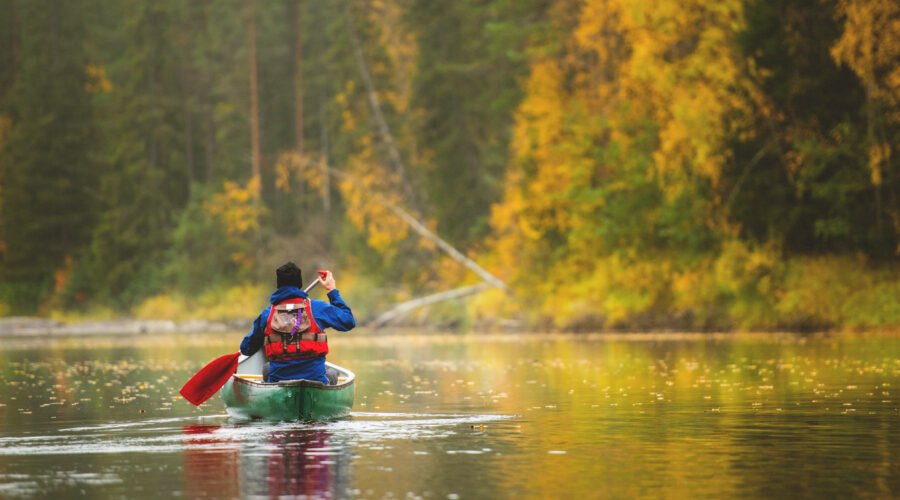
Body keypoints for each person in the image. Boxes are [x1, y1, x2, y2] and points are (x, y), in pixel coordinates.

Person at [240, 262, 355, 384]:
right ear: (299, 284)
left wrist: (265, 337)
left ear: (278, 285)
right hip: (315, 380)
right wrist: (332, 290)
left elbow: (246, 349)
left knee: (267, 368)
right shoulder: (316, 308)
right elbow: (348, 321)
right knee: (331, 373)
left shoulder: (267, 314)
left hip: (278, 381)